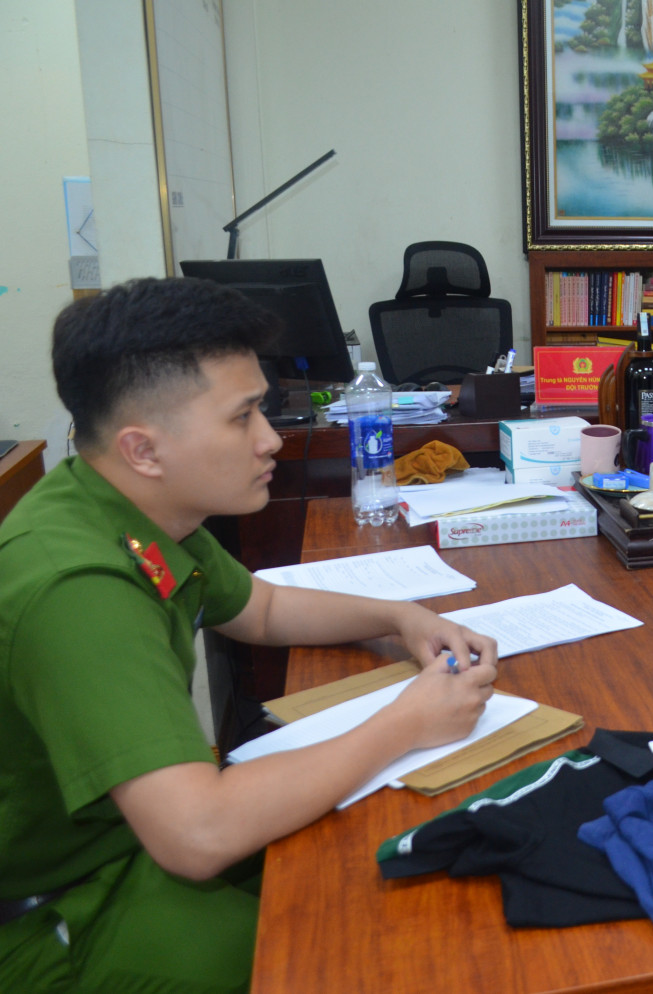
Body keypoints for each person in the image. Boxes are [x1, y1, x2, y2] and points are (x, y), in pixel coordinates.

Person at [0, 277, 501, 993]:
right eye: (242, 418)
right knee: (363, 951)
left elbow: (261, 608)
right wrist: (407, 722)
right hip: (62, 913)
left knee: (402, 864)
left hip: (132, 842)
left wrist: (400, 618)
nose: (270, 439)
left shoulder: (126, 503)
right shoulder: (80, 591)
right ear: (143, 449)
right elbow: (197, 834)